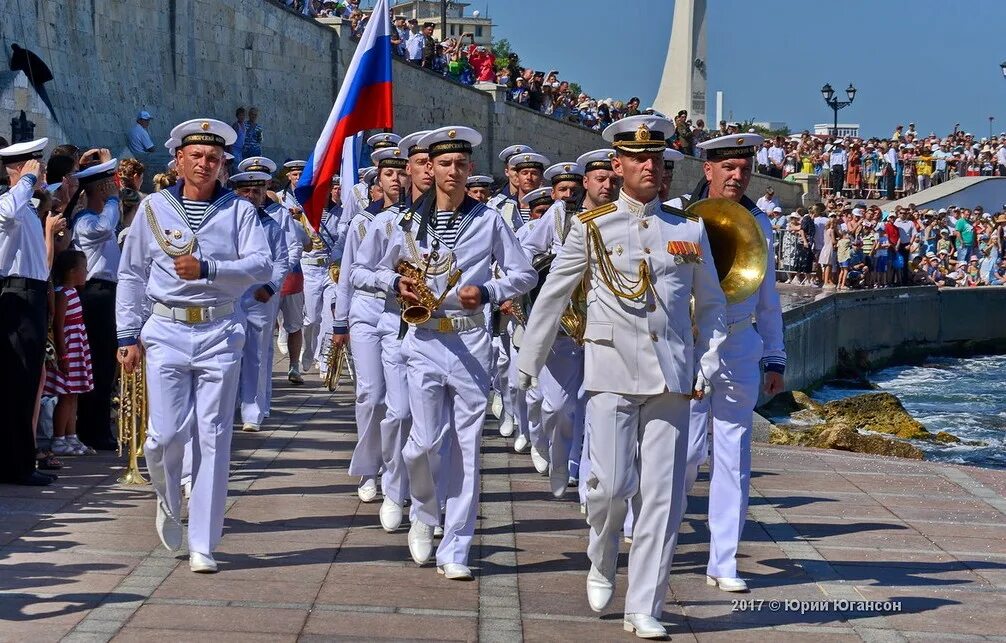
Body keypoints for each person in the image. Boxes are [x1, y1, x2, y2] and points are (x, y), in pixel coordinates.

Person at [517, 115, 727, 638]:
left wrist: (709, 357)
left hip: (673, 377)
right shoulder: (593, 228)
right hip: (610, 370)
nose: (650, 167)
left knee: (663, 496)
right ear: (619, 165)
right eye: (639, 159)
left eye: (657, 159)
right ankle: (601, 549)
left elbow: (714, 305)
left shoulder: (688, 228)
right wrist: (527, 366)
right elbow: (552, 298)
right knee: (611, 487)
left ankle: (644, 605)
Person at [354, 126, 536, 580]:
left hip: (471, 339)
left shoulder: (488, 219)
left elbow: (525, 273)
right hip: (423, 340)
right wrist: (392, 283)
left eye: (460, 164)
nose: (453, 171)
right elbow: (360, 269)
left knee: (467, 448)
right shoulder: (402, 222)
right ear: (429, 168)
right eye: (444, 164)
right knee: (424, 443)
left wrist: (489, 291)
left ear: (469, 168)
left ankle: (456, 546)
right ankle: (422, 510)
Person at [116, 118, 272, 572]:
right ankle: (167, 498)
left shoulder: (239, 210)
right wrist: (127, 334)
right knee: (162, 438)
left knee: (213, 436)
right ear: (179, 160)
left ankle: (204, 541)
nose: (205, 164)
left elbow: (261, 265)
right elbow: (131, 274)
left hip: (219, 330)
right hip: (165, 329)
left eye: (213, 157)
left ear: (223, 163)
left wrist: (209, 271)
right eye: (196, 156)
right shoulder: (152, 208)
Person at [672, 132, 786, 594]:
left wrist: (775, 356)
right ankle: (656, 528)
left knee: (734, 454)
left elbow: (769, 296)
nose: (738, 177)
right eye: (729, 168)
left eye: (745, 168)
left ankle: (723, 559)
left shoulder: (762, 223)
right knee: (685, 451)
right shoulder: (679, 212)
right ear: (709, 169)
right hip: (691, 342)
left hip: (740, 344)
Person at [333, 143, 404, 506]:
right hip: (365, 310)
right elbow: (348, 273)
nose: (396, 179)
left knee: (397, 401)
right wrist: (339, 322)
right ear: (377, 182)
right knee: (370, 394)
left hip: (398, 310)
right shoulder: (363, 221)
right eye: (389, 174)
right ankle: (368, 468)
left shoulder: (413, 218)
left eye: (400, 172)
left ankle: (394, 469)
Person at [517, 161, 587, 497]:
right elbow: (528, 252)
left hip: (598, 317)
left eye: (575, 189)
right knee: (555, 405)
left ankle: (579, 466)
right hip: (561, 313)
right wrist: (543, 269)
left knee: (588, 401)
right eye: (565, 190)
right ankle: (552, 449)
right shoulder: (555, 216)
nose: (570, 195)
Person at [0, 138, 56, 486]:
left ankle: (20, 459)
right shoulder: (10, 203)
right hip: (14, 295)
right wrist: (25, 180)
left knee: (26, 381)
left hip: (32, 294)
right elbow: (6, 210)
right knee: (17, 382)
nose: (41, 172)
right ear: (19, 169)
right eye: (36, 165)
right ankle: (15, 465)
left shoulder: (27, 207)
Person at [67, 153, 121, 451]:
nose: (114, 190)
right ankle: (93, 429)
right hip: (94, 294)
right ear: (100, 189)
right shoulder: (87, 221)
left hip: (107, 293)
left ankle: (97, 426)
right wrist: (112, 202)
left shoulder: (97, 219)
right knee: (98, 364)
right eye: (109, 186)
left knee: (104, 363)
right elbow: (103, 228)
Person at [231, 170, 289, 432]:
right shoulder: (226, 221)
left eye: (256, 191)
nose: (250, 196)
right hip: (230, 294)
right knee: (229, 351)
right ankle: (229, 404)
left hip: (258, 295)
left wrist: (270, 286)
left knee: (255, 352)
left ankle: (251, 409)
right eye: (245, 191)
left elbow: (281, 260)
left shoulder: (271, 225)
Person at [45, 249, 95, 456]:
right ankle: (58, 438)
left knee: (73, 395)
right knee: (65, 395)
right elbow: (58, 325)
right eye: (84, 268)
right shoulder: (63, 293)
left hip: (78, 348)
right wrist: (63, 355)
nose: (86, 272)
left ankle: (71, 437)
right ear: (73, 271)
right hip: (68, 349)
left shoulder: (73, 292)